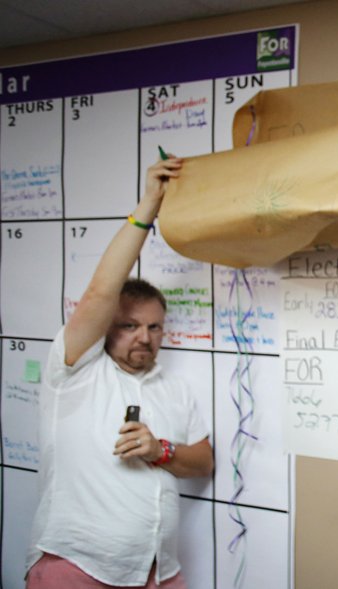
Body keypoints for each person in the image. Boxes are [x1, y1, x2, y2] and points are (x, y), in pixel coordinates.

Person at [25, 157, 214, 589]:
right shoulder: (73, 372)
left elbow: (203, 461)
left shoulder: (174, 388)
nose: (143, 338)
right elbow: (100, 292)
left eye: (153, 327)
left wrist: (160, 450)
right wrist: (149, 206)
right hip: (76, 569)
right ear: (106, 327)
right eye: (129, 326)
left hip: (159, 572)